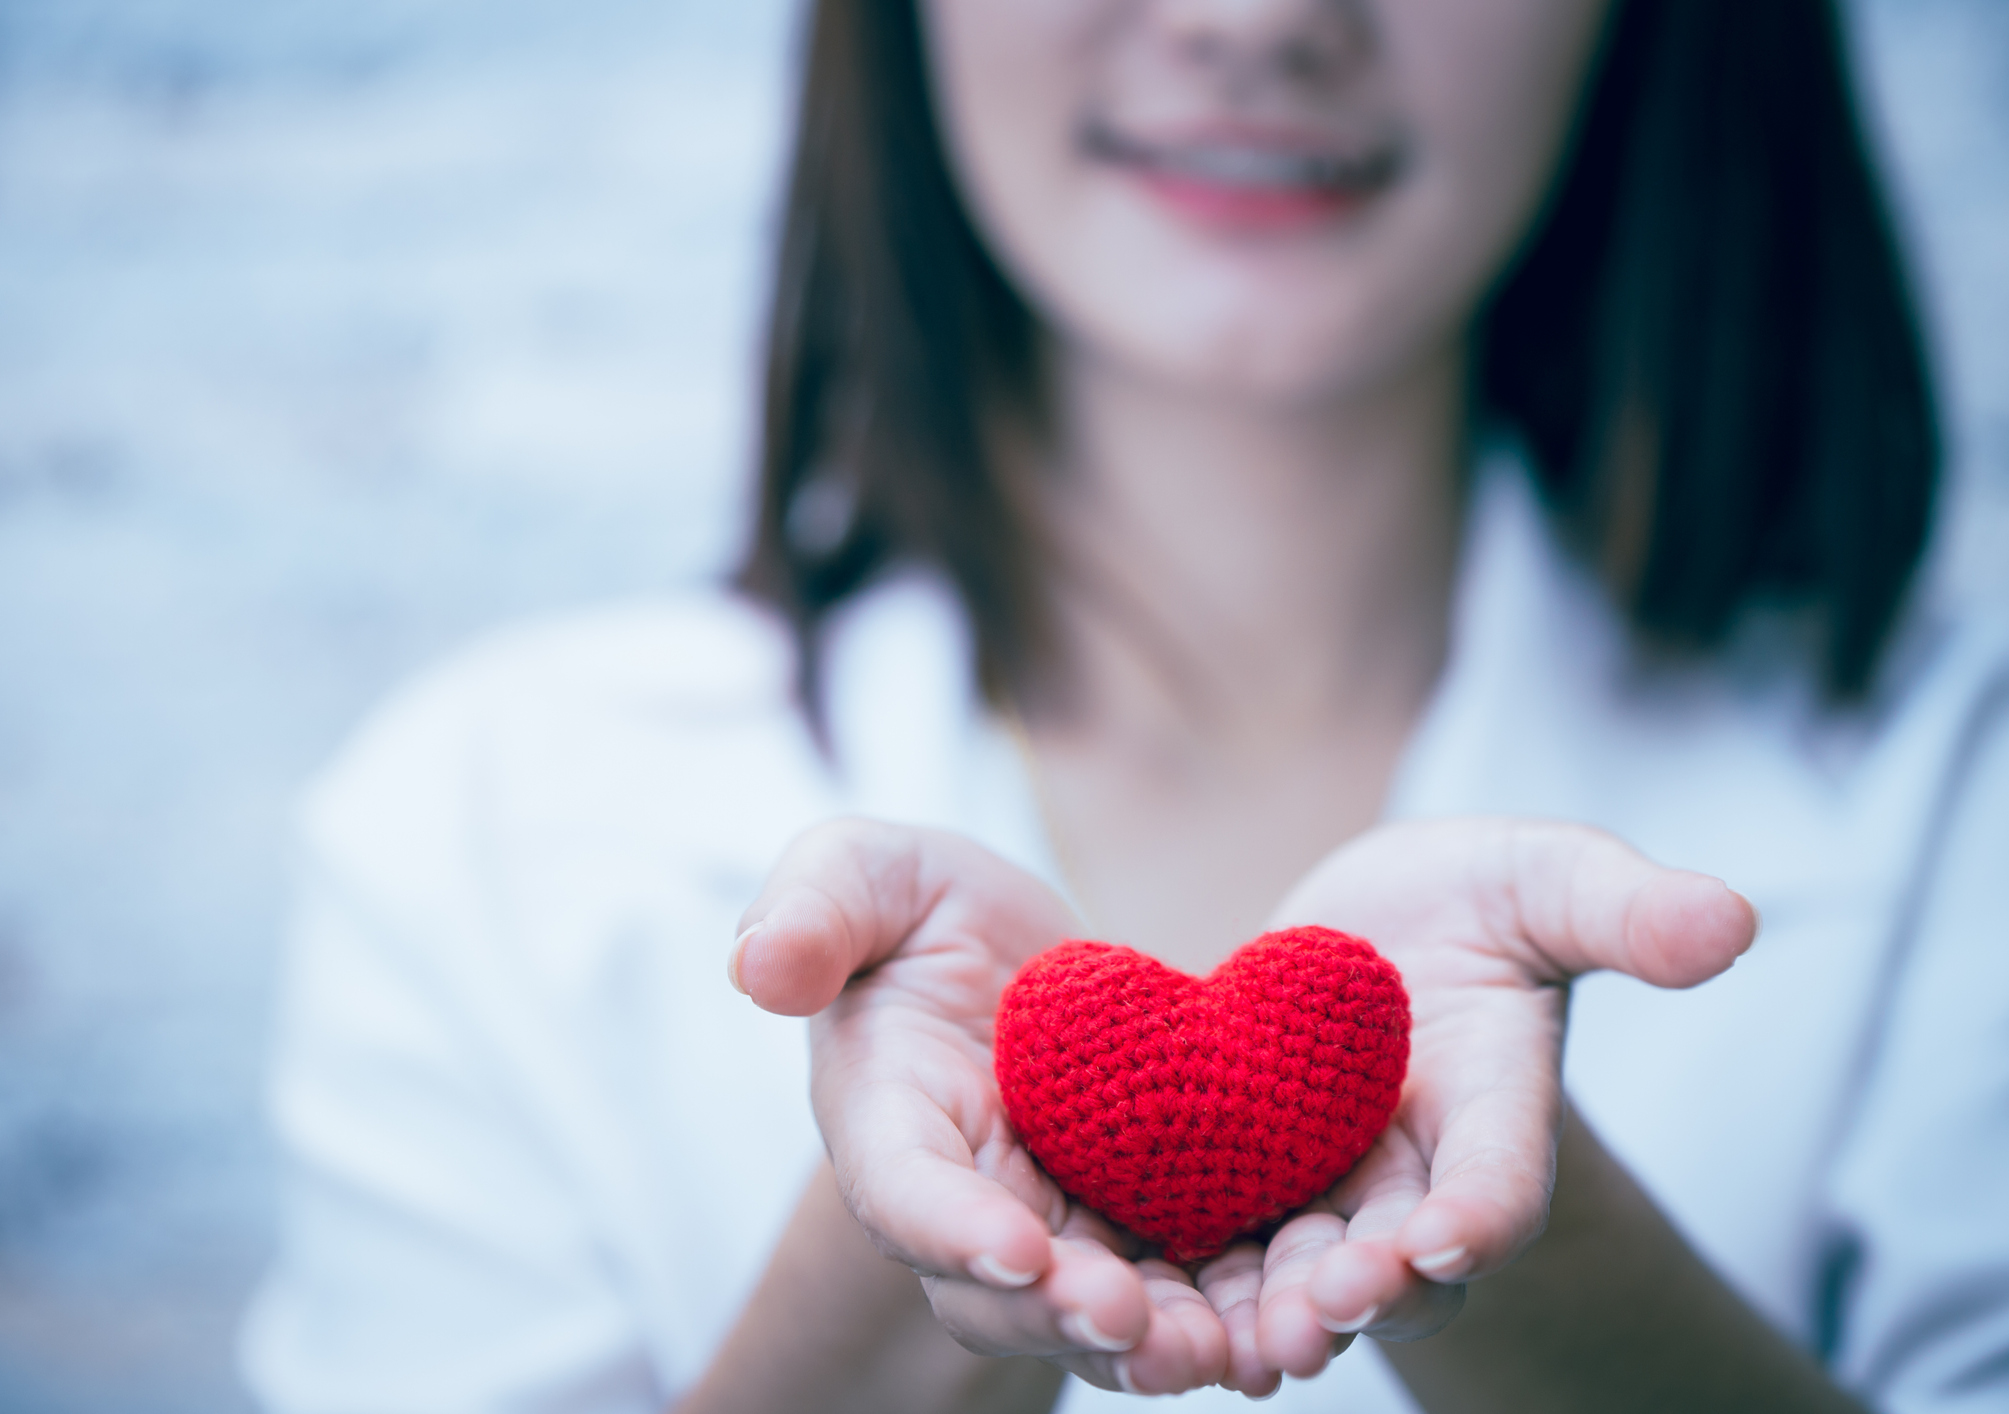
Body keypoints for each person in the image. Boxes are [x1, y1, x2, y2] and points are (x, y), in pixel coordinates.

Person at [241, 0, 2009, 1410]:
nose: (1255, 18)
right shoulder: (478, 824)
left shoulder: (1961, 782)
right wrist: (897, 1283)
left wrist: (1530, 1249)